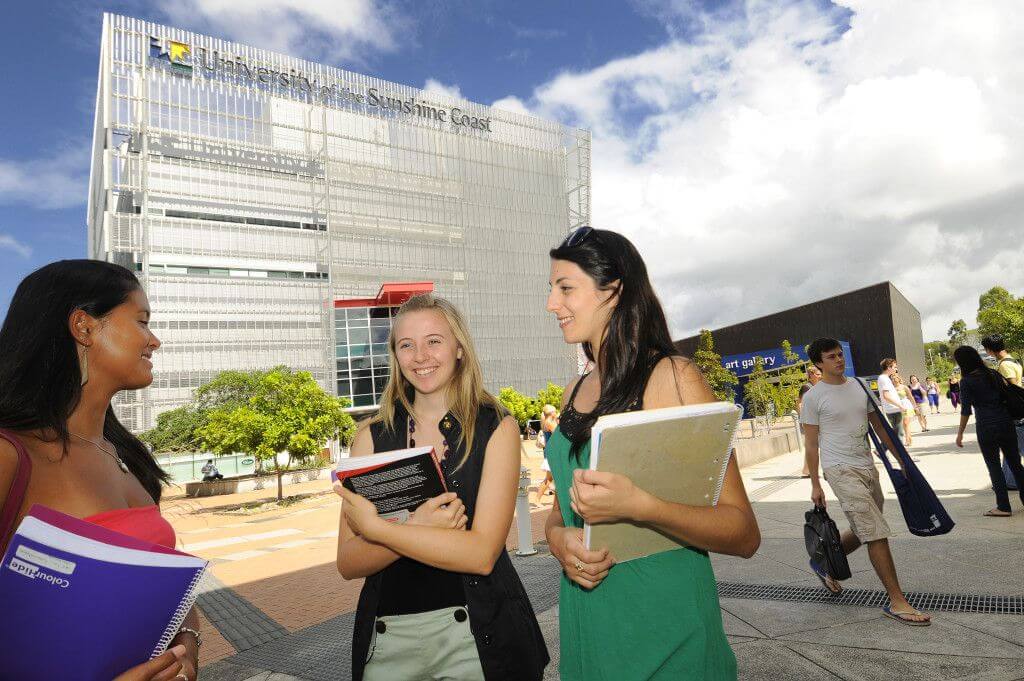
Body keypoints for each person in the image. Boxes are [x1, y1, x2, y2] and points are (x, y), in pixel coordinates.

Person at [544, 226, 760, 680]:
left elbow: (743, 532)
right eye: (552, 289)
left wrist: (644, 507)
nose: (552, 304)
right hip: (590, 636)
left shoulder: (675, 378)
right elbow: (563, 510)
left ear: (614, 292)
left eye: (565, 289)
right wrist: (558, 541)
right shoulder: (571, 394)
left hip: (667, 637)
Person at [0, 260, 200, 680]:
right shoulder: (10, 456)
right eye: (142, 321)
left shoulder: (127, 456)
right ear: (84, 327)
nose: (155, 340)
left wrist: (186, 644)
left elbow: (166, 592)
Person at [335, 293, 548, 681]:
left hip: (478, 636)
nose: (421, 356)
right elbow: (348, 562)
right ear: (396, 357)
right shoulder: (369, 437)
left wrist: (382, 529)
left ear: (460, 348)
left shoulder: (497, 427)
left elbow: (482, 554)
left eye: (434, 340)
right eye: (407, 345)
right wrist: (416, 527)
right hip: (389, 641)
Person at [801, 338, 930, 626]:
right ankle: (897, 601)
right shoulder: (813, 397)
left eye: (839, 354)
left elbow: (881, 430)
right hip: (839, 469)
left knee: (865, 528)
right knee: (875, 532)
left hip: (866, 465)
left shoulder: (859, 386)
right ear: (818, 364)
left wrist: (902, 462)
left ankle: (823, 561)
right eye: (831, 357)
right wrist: (815, 484)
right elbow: (811, 445)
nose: (838, 360)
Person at [953, 345, 1024, 517]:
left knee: (994, 466)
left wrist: (960, 433)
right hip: (1005, 422)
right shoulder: (993, 374)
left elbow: (966, 411)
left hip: (986, 426)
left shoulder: (967, 381)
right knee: (1015, 463)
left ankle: (1003, 507)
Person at [875, 359, 906, 451]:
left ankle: (881, 449)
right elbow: (886, 396)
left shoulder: (884, 378)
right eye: (895, 367)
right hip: (894, 410)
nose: (896, 369)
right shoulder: (884, 379)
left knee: (895, 433)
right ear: (889, 367)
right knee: (899, 434)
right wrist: (900, 406)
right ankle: (904, 459)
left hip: (893, 409)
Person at [536, 404, 559, 499]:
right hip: (552, 454)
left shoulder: (546, 422)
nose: (556, 413)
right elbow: (558, 434)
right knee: (549, 479)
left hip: (550, 453)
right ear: (551, 413)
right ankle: (537, 499)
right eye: (555, 411)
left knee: (554, 478)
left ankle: (558, 502)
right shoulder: (550, 422)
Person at [893, 373, 914, 445]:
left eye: (895, 377)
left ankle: (907, 440)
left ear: (899, 378)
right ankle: (909, 438)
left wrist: (915, 407)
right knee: (903, 424)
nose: (894, 379)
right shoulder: (891, 388)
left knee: (906, 423)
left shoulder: (904, 387)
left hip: (906, 405)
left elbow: (911, 397)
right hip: (897, 407)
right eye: (892, 378)